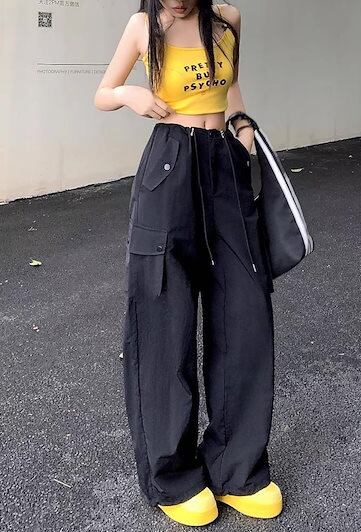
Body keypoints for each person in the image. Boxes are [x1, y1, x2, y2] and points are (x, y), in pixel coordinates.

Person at [94, 1, 283, 526]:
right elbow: (103, 92)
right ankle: (173, 477)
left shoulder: (228, 20)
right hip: (169, 163)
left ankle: (237, 468)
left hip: (224, 162)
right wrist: (129, 94)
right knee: (164, 316)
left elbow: (231, 83)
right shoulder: (143, 26)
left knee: (245, 311)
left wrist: (241, 125)